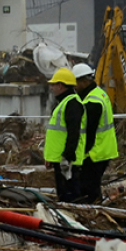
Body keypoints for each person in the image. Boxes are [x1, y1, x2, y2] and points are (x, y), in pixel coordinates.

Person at [72, 62, 117, 203]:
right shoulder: (99, 93)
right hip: (103, 149)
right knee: (93, 186)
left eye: (76, 83)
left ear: (84, 82)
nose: (74, 86)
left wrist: (80, 155)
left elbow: (89, 133)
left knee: (87, 189)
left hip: (95, 152)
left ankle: (91, 212)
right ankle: (97, 207)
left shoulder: (92, 102)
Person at [43, 66, 84, 202]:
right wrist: (50, 157)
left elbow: (74, 133)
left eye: (53, 84)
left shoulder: (72, 104)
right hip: (61, 160)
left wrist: (67, 156)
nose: (51, 88)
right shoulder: (65, 103)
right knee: (63, 196)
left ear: (61, 86)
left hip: (66, 161)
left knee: (69, 197)